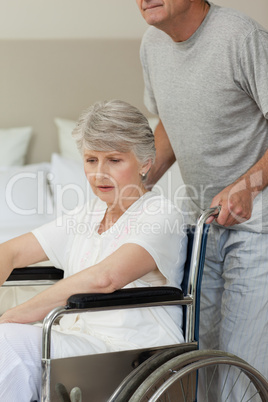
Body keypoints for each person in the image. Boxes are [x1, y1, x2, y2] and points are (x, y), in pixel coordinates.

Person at [0, 100, 187, 401]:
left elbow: (105, 278)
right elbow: (9, 252)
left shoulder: (161, 214)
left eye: (114, 160)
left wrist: (13, 315)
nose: (100, 174)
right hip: (75, 343)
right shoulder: (85, 216)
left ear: (145, 163)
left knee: (7, 340)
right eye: (91, 160)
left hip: (131, 351)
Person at [136, 0, 268, 399]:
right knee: (202, 362)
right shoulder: (152, 44)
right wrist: (136, 183)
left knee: (240, 367)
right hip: (206, 222)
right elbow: (172, 124)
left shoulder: (240, 38)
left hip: (259, 222)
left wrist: (249, 184)